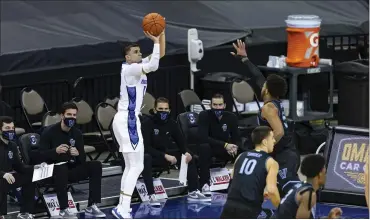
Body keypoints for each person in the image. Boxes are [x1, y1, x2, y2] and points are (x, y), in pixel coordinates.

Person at [231, 39, 301, 197]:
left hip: (285, 155)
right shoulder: (272, 100)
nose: (261, 86)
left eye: (264, 86)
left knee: (290, 192)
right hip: (284, 153)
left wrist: (265, 149)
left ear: (267, 90)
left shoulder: (268, 108)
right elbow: (258, 76)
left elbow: (280, 131)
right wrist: (244, 59)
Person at [111, 30, 166, 219]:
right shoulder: (130, 68)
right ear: (127, 57)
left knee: (132, 166)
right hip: (127, 119)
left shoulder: (138, 65)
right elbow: (154, 65)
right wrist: (156, 42)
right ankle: (123, 208)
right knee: (136, 166)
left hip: (129, 120)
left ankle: (121, 206)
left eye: (139, 51)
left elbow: (161, 55)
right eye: (135, 52)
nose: (139, 54)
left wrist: (161, 36)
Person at [38, 102, 105, 218]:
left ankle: (92, 205)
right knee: (61, 168)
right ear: (62, 116)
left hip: (70, 170)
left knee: (95, 165)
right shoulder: (49, 132)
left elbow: (82, 160)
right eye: (69, 114)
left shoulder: (77, 133)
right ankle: (64, 209)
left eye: (74, 115)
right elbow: (39, 156)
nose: (72, 117)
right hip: (52, 171)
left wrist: (78, 154)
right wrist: (55, 151)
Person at [141, 97, 210, 205]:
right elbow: (146, 147)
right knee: (146, 158)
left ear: (169, 110)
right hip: (150, 155)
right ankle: (151, 195)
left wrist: (186, 152)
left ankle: (193, 191)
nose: (163, 112)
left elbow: (182, 143)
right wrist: (164, 155)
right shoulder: (147, 123)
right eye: (160, 109)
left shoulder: (172, 123)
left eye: (165, 109)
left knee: (188, 156)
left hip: (164, 155)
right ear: (154, 110)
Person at [220, 126, 280, 219]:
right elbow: (272, 190)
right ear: (264, 142)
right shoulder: (271, 162)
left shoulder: (240, 156)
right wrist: (281, 209)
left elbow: (231, 181)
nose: (274, 141)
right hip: (249, 209)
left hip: (230, 205)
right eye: (272, 138)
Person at [272, 154, 343, 219]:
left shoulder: (301, 186)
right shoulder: (309, 194)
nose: (326, 175)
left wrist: (328, 218)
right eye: (325, 171)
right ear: (320, 174)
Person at [198, 93, 240, 196]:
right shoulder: (204, 115)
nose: (217, 107)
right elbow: (203, 137)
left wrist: (234, 147)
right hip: (211, 148)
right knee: (204, 147)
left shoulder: (231, 117)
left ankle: (239, 185)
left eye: (220, 105)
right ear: (210, 105)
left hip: (225, 150)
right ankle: (205, 184)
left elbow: (236, 138)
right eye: (215, 105)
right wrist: (225, 145)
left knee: (244, 150)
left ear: (224, 105)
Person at [0, 116, 35, 219]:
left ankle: (25, 212)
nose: (11, 131)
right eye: (7, 128)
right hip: (2, 177)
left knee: (30, 176)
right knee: (1, 181)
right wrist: (3, 174)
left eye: (12, 128)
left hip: (8, 178)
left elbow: (19, 166)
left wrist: (35, 168)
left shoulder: (13, 145)